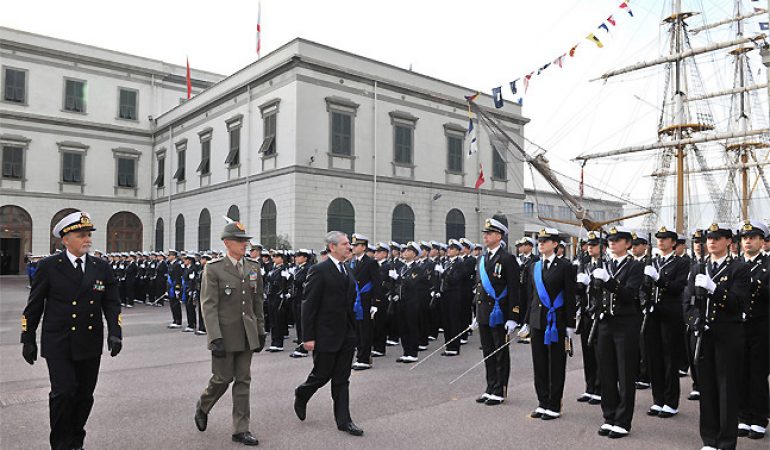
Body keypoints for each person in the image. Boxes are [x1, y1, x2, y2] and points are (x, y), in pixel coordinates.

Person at [21, 211, 122, 450]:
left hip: (89, 340)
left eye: (88, 235)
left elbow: (111, 302)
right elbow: (34, 305)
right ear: (65, 239)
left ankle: (76, 439)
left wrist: (115, 332)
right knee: (64, 393)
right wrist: (28, 338)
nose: (87, 239)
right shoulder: (48, 266)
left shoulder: (101, 267)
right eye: (81, 235)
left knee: (85, 396)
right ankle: (60, 444)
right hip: (59, 341)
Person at [194, 220, 266, 446]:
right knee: (222, 379)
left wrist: (261, 330)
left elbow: (257, 302)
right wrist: (214, 337)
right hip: (224, 335)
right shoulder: (214, 268)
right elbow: (209, 305)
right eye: (240, 241)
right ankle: (204, 404)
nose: (245, 244)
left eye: (246, 240)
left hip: (247, 334)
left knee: (243, 380)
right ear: (227, 243)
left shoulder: (253, 267)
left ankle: (240, 429)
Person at [294, 231, 364, 437]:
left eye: (349, 244)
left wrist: (354, 332)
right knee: (322, 374)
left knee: (342, 379)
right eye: (344, 244)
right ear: (332, 247)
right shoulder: (319, 270)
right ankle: (302, 392)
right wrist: (308, 337)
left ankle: (344, 421)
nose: (349, 247)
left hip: (346, 334)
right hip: (326, 334)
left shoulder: (347, 270)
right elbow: (309, 305)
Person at [687, 222, 750, 450]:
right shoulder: (698, 268)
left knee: (726, 390)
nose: (712, 241)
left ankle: (725, 441)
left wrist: (715, 290)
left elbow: (738, 304)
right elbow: (688, 301)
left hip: (727, 334)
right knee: (707, 388)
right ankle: (709, 439)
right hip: (703, 335)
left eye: (718, 237)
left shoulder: (739, 269)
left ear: (729, 242)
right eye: (709, 238)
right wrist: (695, 321)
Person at [591, 226, 644, 439]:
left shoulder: (634, 266)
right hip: (605, 323)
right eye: (611, 239)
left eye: (618, 239)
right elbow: (597, 296)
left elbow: (630, 295)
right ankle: (609, 415)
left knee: (625, 373)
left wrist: (608, 281)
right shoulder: (605, 265)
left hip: (625, 324)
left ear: (628, 244)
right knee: (607, 372)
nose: (613, 242)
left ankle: (623, 420)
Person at [640, 226, 689, 419]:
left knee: (670, 358)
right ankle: (658, 399)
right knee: (654, 357)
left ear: (673, 242)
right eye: (659, 238)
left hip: (670, 315)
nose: (661, 241)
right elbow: (642, 288)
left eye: (665, 238)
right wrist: (645, 303)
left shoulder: (681, 263)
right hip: (653, 314)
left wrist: (659, 279)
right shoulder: (652, 261)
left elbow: (679, 287)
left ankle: (671, 401)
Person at [527, 228, 576, 420]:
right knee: (539, 363)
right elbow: (530, 296)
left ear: (555, 244)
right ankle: (542, 402)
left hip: (556, 321)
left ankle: (554, 404)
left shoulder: (564, 266)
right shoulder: (534, 266)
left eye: (545, 241)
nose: (541, 243)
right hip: (537, 320)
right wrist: (526, 321)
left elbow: (570, 296)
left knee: (555, 363)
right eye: (539, 240)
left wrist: (571, 323)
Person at [474, 218, 520, 406]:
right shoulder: (482, 258)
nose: (485, 236)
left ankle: (499, 389)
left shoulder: (507, 259)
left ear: (499, 236)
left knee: (500, 351)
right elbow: (478, 287)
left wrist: (513, 316)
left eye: (489, 233)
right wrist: (475, 314)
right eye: (485, 233)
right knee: (488, 352)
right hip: (484, 311)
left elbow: (515, 288)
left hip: (499, 312)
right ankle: (490, 386)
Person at [737, 220, 768, 440]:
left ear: (762, 241)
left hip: (760, 325)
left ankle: (759, 418)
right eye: (745, 238)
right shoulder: (735, 264)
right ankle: (743, 416)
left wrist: (756, 284)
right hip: (737, 326)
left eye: (753, 237)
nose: (748, 241)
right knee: (740, 373)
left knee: (757, 373)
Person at [349, 233, 381, 370]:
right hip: (356, 300)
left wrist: (376, 303)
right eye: (353, 245)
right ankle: (360, 356)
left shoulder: (370, 262)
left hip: (366, 300)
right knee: (357, 329)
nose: (353, 248)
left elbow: (377, 283)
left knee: (365, 330)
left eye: (356, 245)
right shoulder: (353, 262)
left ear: (363, 247)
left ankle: (364, 358)